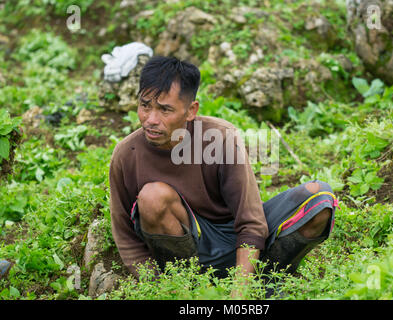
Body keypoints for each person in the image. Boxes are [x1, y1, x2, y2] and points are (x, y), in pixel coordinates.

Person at [109, 56, 339, 284]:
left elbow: (251, 222)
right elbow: (127, 238)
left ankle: (268, 278)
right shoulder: (126, 155)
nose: (151, 119)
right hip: (188, 246)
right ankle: (191, 284)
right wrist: (160, 289)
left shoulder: (220, 138)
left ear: (191, 110)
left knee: (319, 197)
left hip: (237, 239)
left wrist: (239, 294)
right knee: (153, 197)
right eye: (145, 106)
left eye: (165, 110)